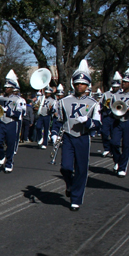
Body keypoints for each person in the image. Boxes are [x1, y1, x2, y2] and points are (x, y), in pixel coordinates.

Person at [50, 60, 101, 211]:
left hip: (83, 137)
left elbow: (98, 124)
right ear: (73, 84)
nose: (80, 86)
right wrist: (53, 134)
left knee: (81, 169)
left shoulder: (93, 103)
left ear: (88, 86)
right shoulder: (64, 102)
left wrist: (88, 121)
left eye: (83, 84)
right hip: (68, 136)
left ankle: (76, 198)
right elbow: (58, 119)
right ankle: (70, 184)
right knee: (65, 167)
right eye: (77, 83)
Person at [0, 70, 26, 173]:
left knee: (11, 144)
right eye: (6, 87)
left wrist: (8, 111)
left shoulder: (18, 100)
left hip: (12, 123)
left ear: (12, 89)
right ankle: (2, 156)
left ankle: (9, 163)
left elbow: (18, 114)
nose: (6, 89)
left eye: (8, 88)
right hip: (2, 122)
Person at [100, 73, 121, 157]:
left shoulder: (121, 95)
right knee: (104, 132)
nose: (115, 88)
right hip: (107, 116)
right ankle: (106, 148)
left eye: (116, 86)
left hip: (115, 117)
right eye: (113, 86)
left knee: (114, 135)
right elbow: (101, 103)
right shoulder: (106, 94)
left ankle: (114, 150)